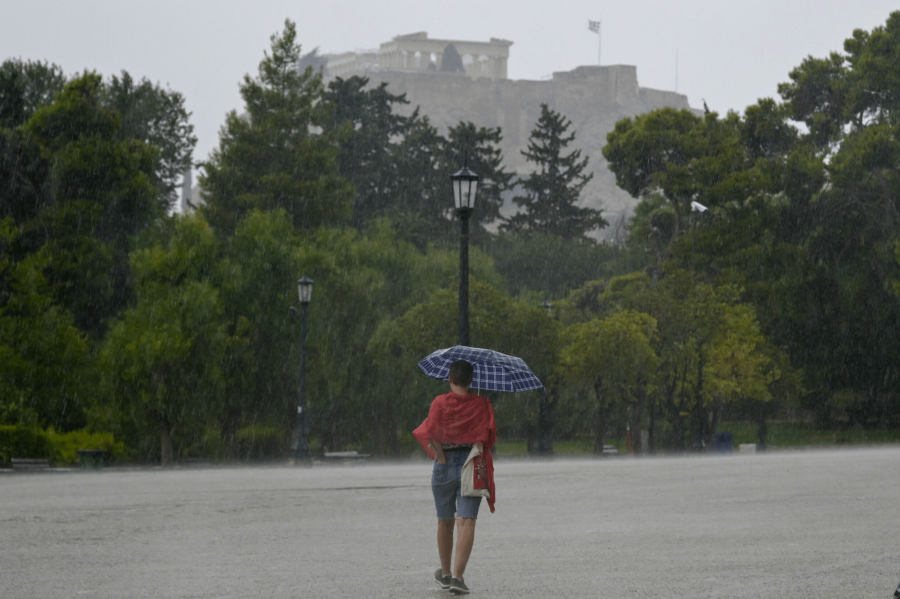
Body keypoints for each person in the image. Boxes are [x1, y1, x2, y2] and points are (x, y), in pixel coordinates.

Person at [412, 360, 496, 595]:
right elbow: (488, 437)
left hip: (444, 464)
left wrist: (441, 457)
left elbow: (430, 433)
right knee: (467, 520)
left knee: (444, 519)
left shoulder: (439, 403)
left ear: (449, 379)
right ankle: (458, 578)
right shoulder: (482, 404)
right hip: (472, 463)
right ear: (471, 380)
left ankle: (446, 573)